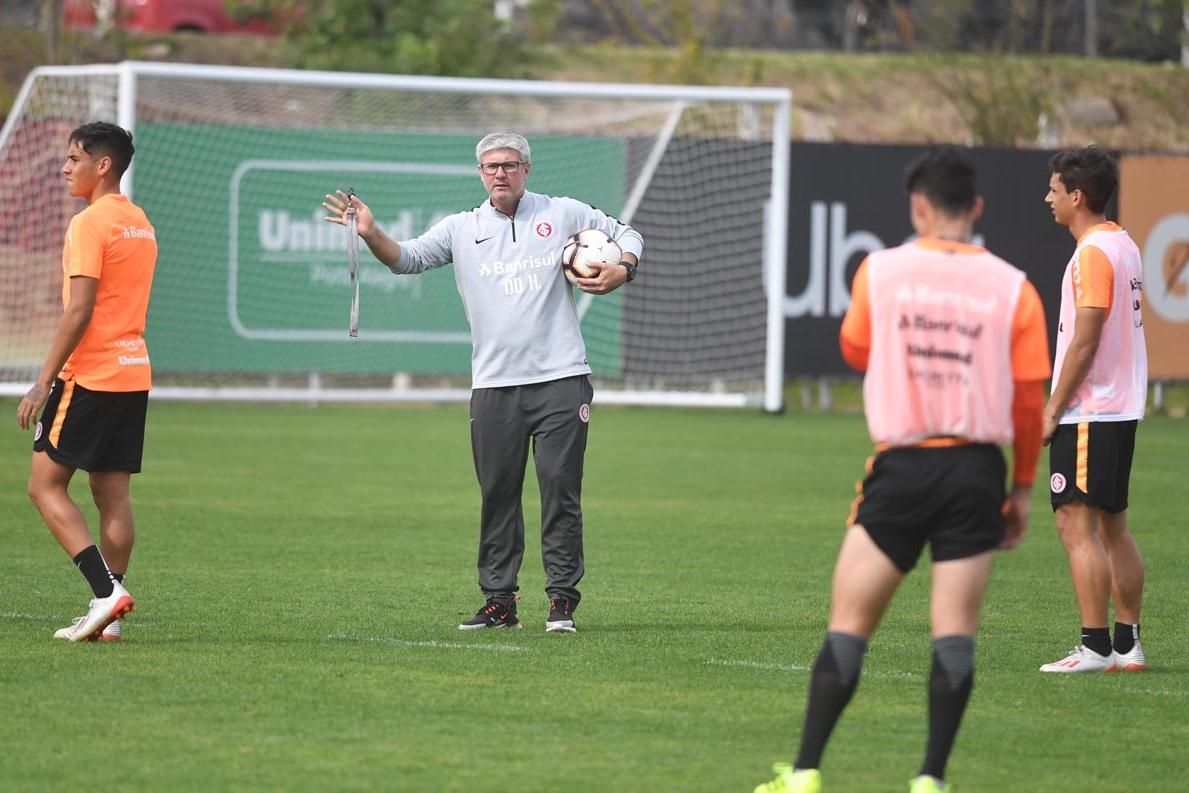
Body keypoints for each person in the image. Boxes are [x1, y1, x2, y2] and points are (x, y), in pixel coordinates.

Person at [753, 148, 1050, 793]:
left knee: (849, 624)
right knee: (955, 636)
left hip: (903, 466)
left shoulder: (880, 270)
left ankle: (804, 772)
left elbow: (855, 347)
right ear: (976, 207)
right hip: (977, 471)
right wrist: (1022, 486)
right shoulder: (1013, 285)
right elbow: (1030, 397)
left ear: (918, 206)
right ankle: (930, 779)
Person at [322, 132, 642, 633]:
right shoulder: (460, 229)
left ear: (526, 169)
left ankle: (561, 601)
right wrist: (370, 231)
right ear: (480, 173)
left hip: (561, 378)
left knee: (560, 490)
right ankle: (500, 603)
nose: (500, 173)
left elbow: (629, 234)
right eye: (491, 166)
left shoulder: (563, 213)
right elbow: (405, 259)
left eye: (510, 165)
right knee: (498, 493)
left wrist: (623, 268)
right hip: (494, 385)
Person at [15, 122, 157, 642]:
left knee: (43, 486)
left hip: (90, 373)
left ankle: (105, 593)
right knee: (111, 492)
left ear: (103, 165)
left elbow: (79, 311)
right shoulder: (140, 223)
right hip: (132, 371)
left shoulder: (90, 223)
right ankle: (109, 615)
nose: (64, 167)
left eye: (74, 158)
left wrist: (41, 382)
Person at [1038, 146, 1148, 674]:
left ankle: (1096, 645)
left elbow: (1085, 337)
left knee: (1075, 525)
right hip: (1120, 407)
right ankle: (1127, 644)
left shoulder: (1092, 253)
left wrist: (1054, 407)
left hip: (1090, 409)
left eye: (1055, 190)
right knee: (1113, 528)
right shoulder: (1123, 244)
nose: (1048, 199)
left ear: (1077, 196)